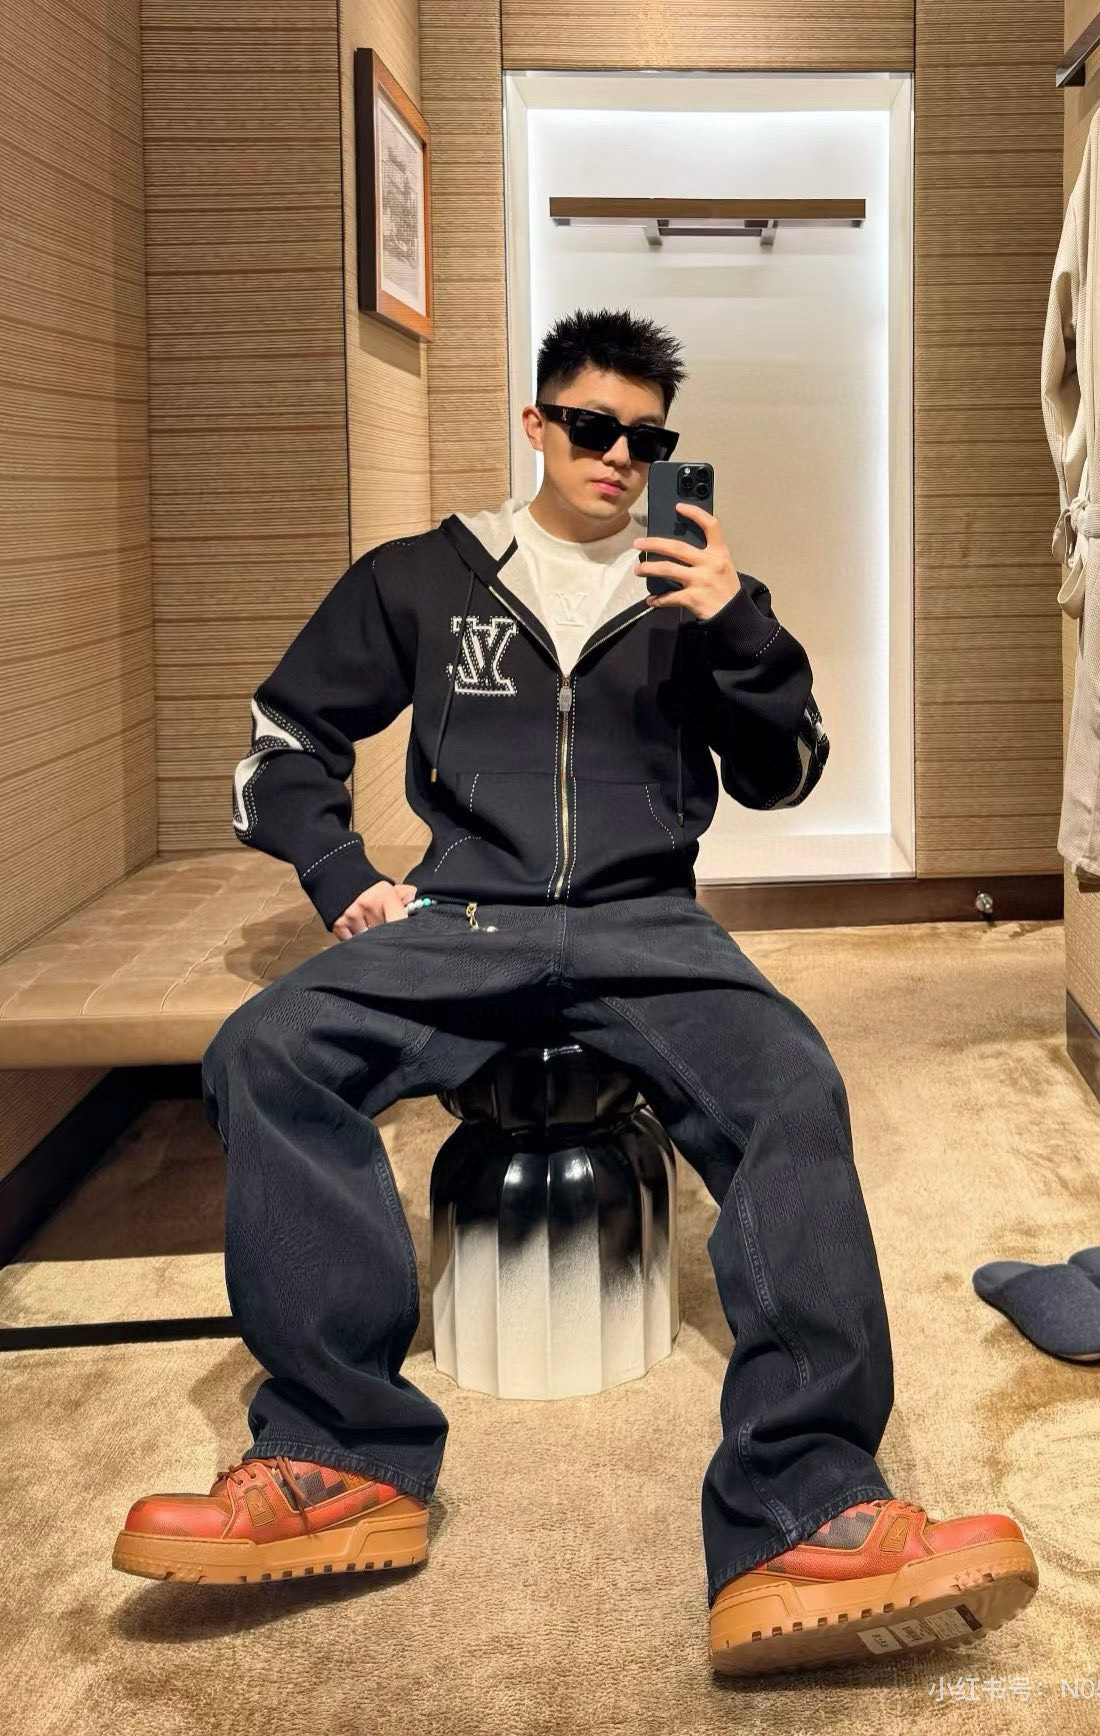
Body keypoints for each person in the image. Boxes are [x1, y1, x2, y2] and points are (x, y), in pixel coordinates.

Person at [111, 307, 1037, 1673]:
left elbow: (786, 772)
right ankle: (336, 1458)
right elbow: (280, 740)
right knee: (269, 1049)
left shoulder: (694, 596)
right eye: (593, 426)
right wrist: (342, 874)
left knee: (792, 1085)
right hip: (464, 918)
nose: (618, 457)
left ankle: (805, 1508)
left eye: (647, 439)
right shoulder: (422, 578)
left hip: (646, 921)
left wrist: (735, 627)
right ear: (537, 423)